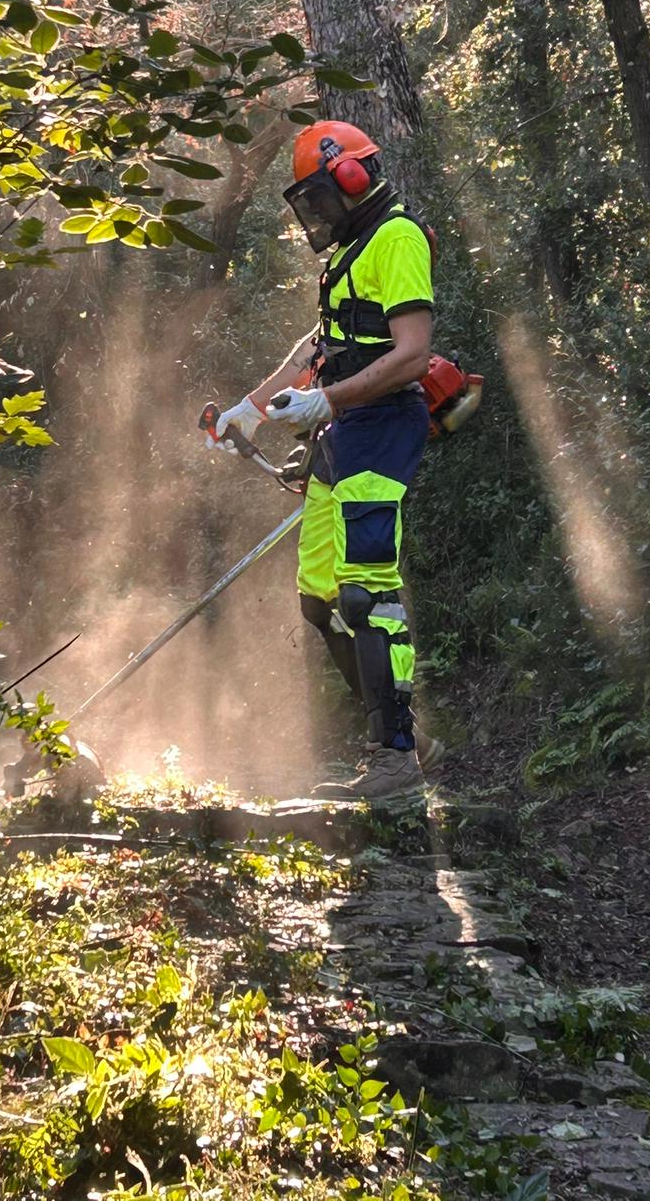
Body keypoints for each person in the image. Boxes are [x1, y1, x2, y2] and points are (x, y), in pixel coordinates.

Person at [206, 121, 439, 800]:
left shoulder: (396, 238)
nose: (314, 214)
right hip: (344, 428)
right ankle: (404, 732)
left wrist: (325, 400)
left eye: (317, 197)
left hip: (382, 425)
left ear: (350, 179)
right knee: (321, 598)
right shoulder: (349, 253)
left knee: (367, 591)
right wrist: (245, 412)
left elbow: (413, 354)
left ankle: (394, 758)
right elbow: (315, 351)